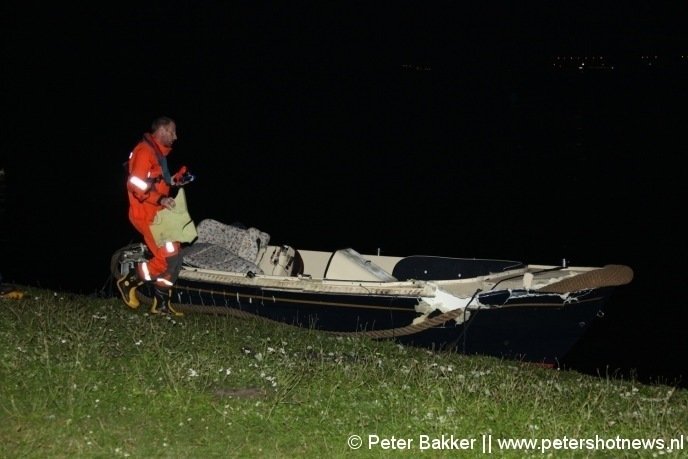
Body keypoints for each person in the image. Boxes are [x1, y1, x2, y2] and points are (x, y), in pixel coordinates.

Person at [117, 116, 193, 316]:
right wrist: (160, 200)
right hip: (145, 214)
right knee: (170, 256)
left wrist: (175, 180)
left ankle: (160, 305)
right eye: (172, 132)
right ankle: (130, 280)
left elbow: (156, 182)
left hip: (158, 215)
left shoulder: (158, 154)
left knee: (175, 256)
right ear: (161, 130)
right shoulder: (144, 152)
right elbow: (135, 185)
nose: (175, 137)